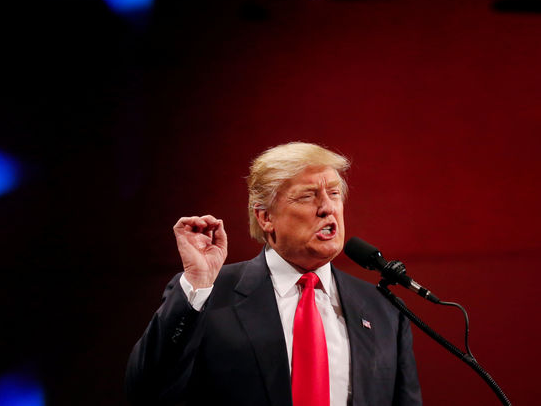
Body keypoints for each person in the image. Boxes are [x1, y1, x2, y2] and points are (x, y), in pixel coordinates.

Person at [125, 142, 422, 406]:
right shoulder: (209, 294)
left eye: (333, 193)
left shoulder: (384, 310)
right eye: (308, 196)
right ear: (266, 217)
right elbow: (145, 389)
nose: (327, 208)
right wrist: (197, 284)